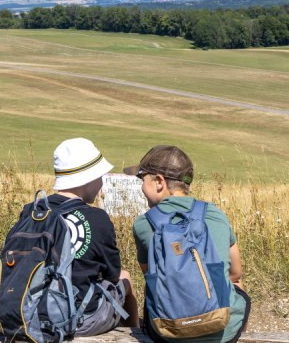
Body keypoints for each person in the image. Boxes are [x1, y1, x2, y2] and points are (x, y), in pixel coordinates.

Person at [130, 145, 251, 343]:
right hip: (224, 331)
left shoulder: (144, 224)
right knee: (237, 285)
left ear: (159, 182)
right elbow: (236, 272)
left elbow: (149, 273)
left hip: (167, 334)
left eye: (142, 179)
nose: (142, 187)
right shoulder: (216, 215)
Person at [49, 137, 139, 336]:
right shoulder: (97, 218)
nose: (101, 182)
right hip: (80, 320)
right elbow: (112, 274)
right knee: (125, 277)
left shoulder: (34, 211)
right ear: (88, 178)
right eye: (100, 176)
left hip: (31, 312)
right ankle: (135, 333)